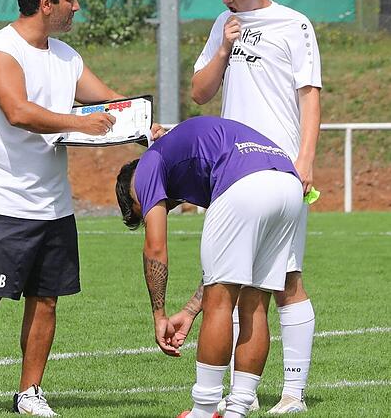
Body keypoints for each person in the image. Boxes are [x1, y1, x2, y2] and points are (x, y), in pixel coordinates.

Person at [0, 0, 161, 418]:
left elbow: (111, 104)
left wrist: (146, 126)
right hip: (1, 200)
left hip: (53, 202)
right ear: (46, 4)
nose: (76, 6)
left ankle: (30, 392)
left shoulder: (66, 56)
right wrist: (79, 121)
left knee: (45, 298)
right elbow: (19, 112)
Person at [191, 0, 322, 414]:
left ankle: (294, 392)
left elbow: (309, 97)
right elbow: (200, 92)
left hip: (281, 170)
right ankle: (237, 395)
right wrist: (224, 47)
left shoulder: (295, 24)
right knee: (230, 282)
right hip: (232, 173)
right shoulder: (221, 27)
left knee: (286, 280)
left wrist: (304, 161)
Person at [115, 116, 304, 418]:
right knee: (255, 304)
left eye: (143, 209)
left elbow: (155, 248)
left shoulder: (148, 166)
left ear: (131, 193)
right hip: (288, 181)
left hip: (247, 182)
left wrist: (159, 315)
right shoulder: (193, 169)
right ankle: (238, 409)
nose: (156, 208)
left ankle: (203, 411)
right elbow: (228, 267)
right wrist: (190, 310)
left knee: (220, 305)